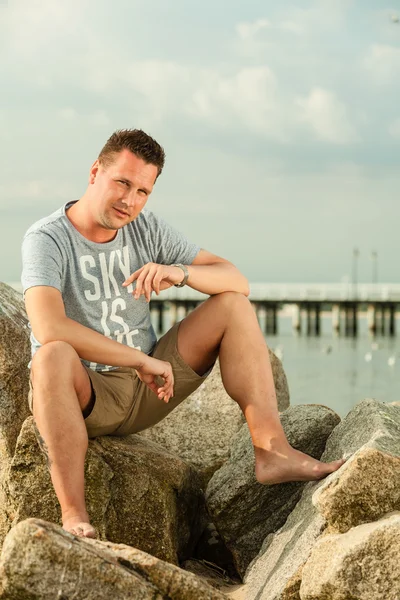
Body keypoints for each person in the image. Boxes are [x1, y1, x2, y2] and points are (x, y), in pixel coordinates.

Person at [21, 129, 344, 539]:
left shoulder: (146, 229)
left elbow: (236, 279)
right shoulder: (47, 238)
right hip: (90, 394)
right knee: (51, 356)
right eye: (122, 183)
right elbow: (48, 327)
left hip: (150, 389)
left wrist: (180, 274)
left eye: (142, 190)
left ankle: (272, 451)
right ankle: (74, 517)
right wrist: (140, 359)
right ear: (95, 172)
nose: (129, 200)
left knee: (231, 304)